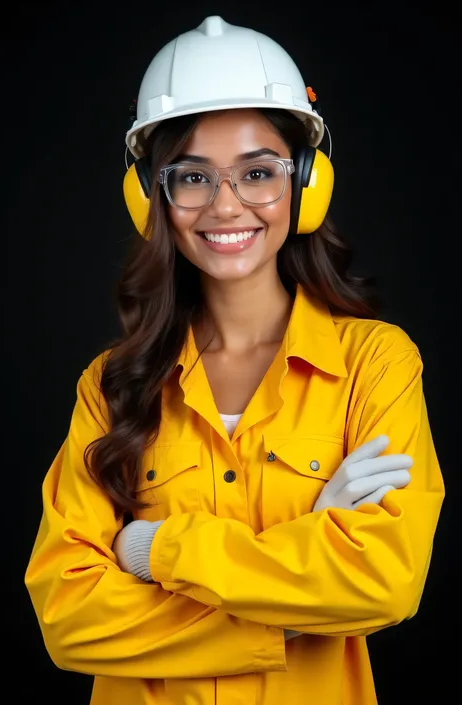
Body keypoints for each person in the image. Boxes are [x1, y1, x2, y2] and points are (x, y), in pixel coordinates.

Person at [25, 15, 444, 705]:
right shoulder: (110, 385)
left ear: (307, 183)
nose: (226, 206)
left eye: (258, 172)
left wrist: (152, 550)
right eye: (192, 176)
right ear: (150, 197)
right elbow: (67, 619)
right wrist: (306, 567)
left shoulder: (377, 364)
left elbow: (387, 582)